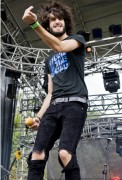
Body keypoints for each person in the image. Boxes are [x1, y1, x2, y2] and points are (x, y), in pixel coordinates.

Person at [22, 1, 88, 180]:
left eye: (60, 18)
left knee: (65, 153)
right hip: (54, 106)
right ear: (48, 26)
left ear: (65, 22)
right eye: (52, 20)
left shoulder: (77, 40)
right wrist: (38, 117)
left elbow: (60, 47)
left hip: (75, 103)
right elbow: (50, 94)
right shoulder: (48, 59)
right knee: (36, 155)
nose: (57, 22)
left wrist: (34, 24)